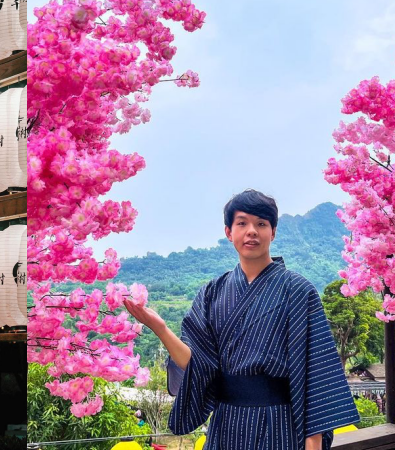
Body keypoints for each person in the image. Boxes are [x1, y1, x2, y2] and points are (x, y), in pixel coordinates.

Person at [124, 190, 359, 450]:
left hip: (280, 424)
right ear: (228, 232)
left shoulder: (298, 290)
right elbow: (197, 366)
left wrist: (313, 444)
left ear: (274, 232)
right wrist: (161, 329)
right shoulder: (212, 293)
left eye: (261, 224)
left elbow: (316, 372)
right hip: (227, 425)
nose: (252, 231)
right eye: (242, 223)